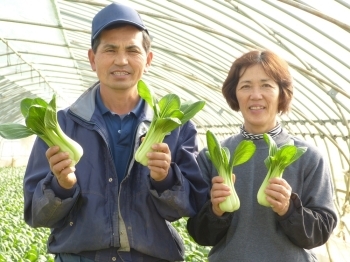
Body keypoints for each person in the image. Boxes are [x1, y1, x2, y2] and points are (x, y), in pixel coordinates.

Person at [23, 3, 208, 262]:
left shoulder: (176, 127)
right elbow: (36, 214)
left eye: (132, 50)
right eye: (110, 49)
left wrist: (165, 179)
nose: (121, 60)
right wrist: (60, 187)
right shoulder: (59, 125)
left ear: (149, 59)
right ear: (92, 59)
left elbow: (192, 205)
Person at [186, 50, 338, 261]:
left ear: (282, 93)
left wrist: (289, 210)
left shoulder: (308, 157)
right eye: (245, 86)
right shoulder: (214, 155)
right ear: (235, 94)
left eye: (266, 85)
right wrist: (215, 211)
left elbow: (321, 231)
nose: (255, 95)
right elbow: (199, 234)